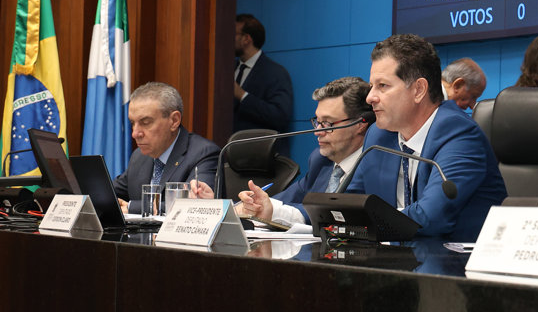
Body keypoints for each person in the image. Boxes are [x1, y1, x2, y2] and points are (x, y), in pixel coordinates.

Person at [346, 34, 507, 239]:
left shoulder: (459, 134)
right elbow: (351, 202)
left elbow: (431, 217)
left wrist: (364, 224)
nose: (370, 98)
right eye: (372, 86)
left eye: (382, 86)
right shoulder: (379, 136)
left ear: (419, 90)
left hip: (453, 257)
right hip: (397, 254)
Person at [196, 77, 373, 225]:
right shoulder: (321, 161)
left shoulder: (373, 166)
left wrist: (272, 210)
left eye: (328, 123)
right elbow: (282, 200)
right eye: (317, 122)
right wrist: (225, 208)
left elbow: (332, 211)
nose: (318, 131)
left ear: (360, 124)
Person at [114, 82, 219, 214]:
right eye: (132, 123)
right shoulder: (139, 156)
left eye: (145, 123)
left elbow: (194, 205)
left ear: (174, 121)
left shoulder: (203, 153)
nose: (135, 133)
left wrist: (131, 207)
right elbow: (109, 194)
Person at [233, 13, 294, 134]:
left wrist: (242, 95)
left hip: (255, 144)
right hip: (224, 143)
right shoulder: (226, 70)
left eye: (233, 34)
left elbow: (279, 116)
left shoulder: (276, 73)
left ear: (246, 39)